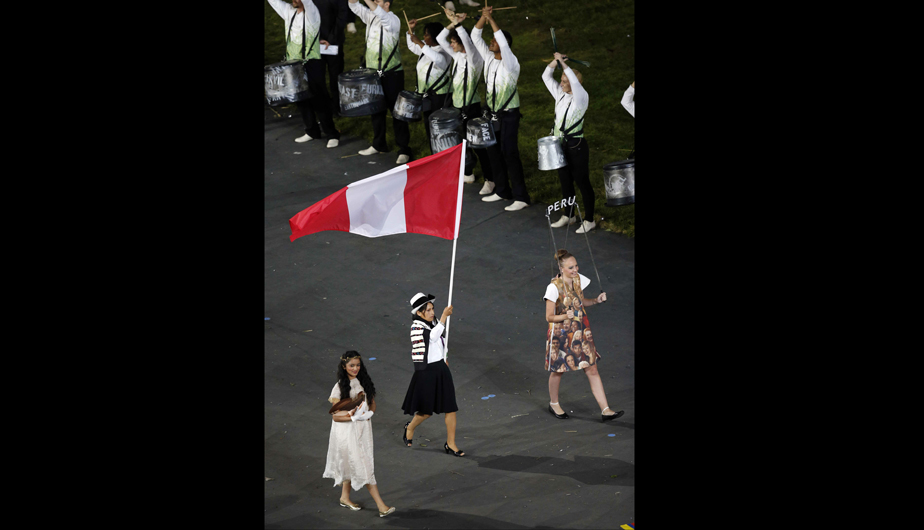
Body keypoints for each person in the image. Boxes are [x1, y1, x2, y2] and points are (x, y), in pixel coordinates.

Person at [544, 249, 625, 422]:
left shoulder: (578, 279)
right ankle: (554, 403)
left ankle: (606, 410)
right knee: (558, 371)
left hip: (581, 329)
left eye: (576, 266)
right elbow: (549, 317)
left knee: (592, 368)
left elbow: (580, 302)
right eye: (571, 267)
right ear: (561, 268)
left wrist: (596, 300)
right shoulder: (553, 287)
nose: (575, 270)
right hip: (561, 333)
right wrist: (566, 315)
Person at [470, 6, 531, 212]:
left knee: (509, 152)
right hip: (492, 113)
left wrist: (492, 20)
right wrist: (483, 19)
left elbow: (502, 42)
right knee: (493, 150)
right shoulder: (489, 59)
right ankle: (502, 190)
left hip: (509, 115)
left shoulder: (511, 63)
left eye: (494, 41)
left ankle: (521, 196)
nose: (491, 42)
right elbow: (475, 35)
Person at [322, 351, 396, 517]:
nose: (355, 368)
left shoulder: (363, 382)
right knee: (364, 465)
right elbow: (335, 415)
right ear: (344, 367)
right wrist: (352, 416)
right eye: (351, 365)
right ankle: (381, 506)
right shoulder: (339, 387)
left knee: (351, 463)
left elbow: (372, 406)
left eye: (357, 365)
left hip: (362, 430)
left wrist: (368, 411)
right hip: (346, 433)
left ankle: (344, 497)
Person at [267, 0, 342, 148]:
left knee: (319, 97)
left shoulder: (312, 12)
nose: (293, 0)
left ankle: (331, 133)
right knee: (300, 97)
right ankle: (311, 130)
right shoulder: (289, 12)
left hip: (312, 62)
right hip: (293, 64)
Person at [348, 0, 413, 164]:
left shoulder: (393, 20)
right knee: (375, 108)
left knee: (396, 111)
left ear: (387, 4)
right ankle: (379, 144)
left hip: (392, 73)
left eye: (378, 1)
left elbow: (381, 14)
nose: (374, 3)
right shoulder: (370, 17)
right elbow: (354, 5)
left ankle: (404, 149)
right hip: (373, 73)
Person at [435, 11, 494, 192]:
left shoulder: (474, 58)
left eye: (454, 42)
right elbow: (440, 38)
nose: (451, 45)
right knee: (462, 142)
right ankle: (468, 172)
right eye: (451, 42)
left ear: (461, 43)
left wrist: (458, 26)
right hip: (457, 106)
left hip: (472, 106)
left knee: (478, 145)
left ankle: (490, 179)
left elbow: (467, 42)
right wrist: (452, 23)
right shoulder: (457, 56)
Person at [402, 293, 465, 457]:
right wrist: (444, 317)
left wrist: (445, 358)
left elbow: (441, 342)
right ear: (419, 313)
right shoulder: (416, 327)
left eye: (433, 309)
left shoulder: (434, 323)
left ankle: (450, 444)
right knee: (426, 411)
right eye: (428, 310)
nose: (432, 313)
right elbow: (433, 336)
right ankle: (410, 427)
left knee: (450, 408)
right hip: (426, 372)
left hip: (441, 368)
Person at [543, 52, 595, 233]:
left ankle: (589, 219)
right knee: (565, 180)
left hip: (576, 145)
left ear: (575, 83)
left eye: (565, 81)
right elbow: (545, 76)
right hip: (561, 144)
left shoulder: (581, 97)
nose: (561, 83)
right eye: (562, 80)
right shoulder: (561, 94)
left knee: (582, 181)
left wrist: (564, 67)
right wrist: (556, 61)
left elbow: (573, 80)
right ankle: (569, 214)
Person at [405, 19, 452, 155]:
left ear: (435, 36)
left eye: (426, 35)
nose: (424, 38)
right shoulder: (427, 49)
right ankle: (435, 155)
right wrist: (411, 31)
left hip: (440, 97)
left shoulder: (445, 52)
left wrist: (420, 42)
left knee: (441, 130)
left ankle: (446, 156)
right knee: (429, 129)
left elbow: (438, 59)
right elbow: (412, 46)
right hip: (427, 97)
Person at [314, 0, 352, 117]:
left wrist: (330, 39)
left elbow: (342, 16)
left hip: (333, 43)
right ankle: (323, 108)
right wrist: (317, 39)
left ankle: (337, 107)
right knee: (317, 78)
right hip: (315, 43)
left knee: (335, 77)